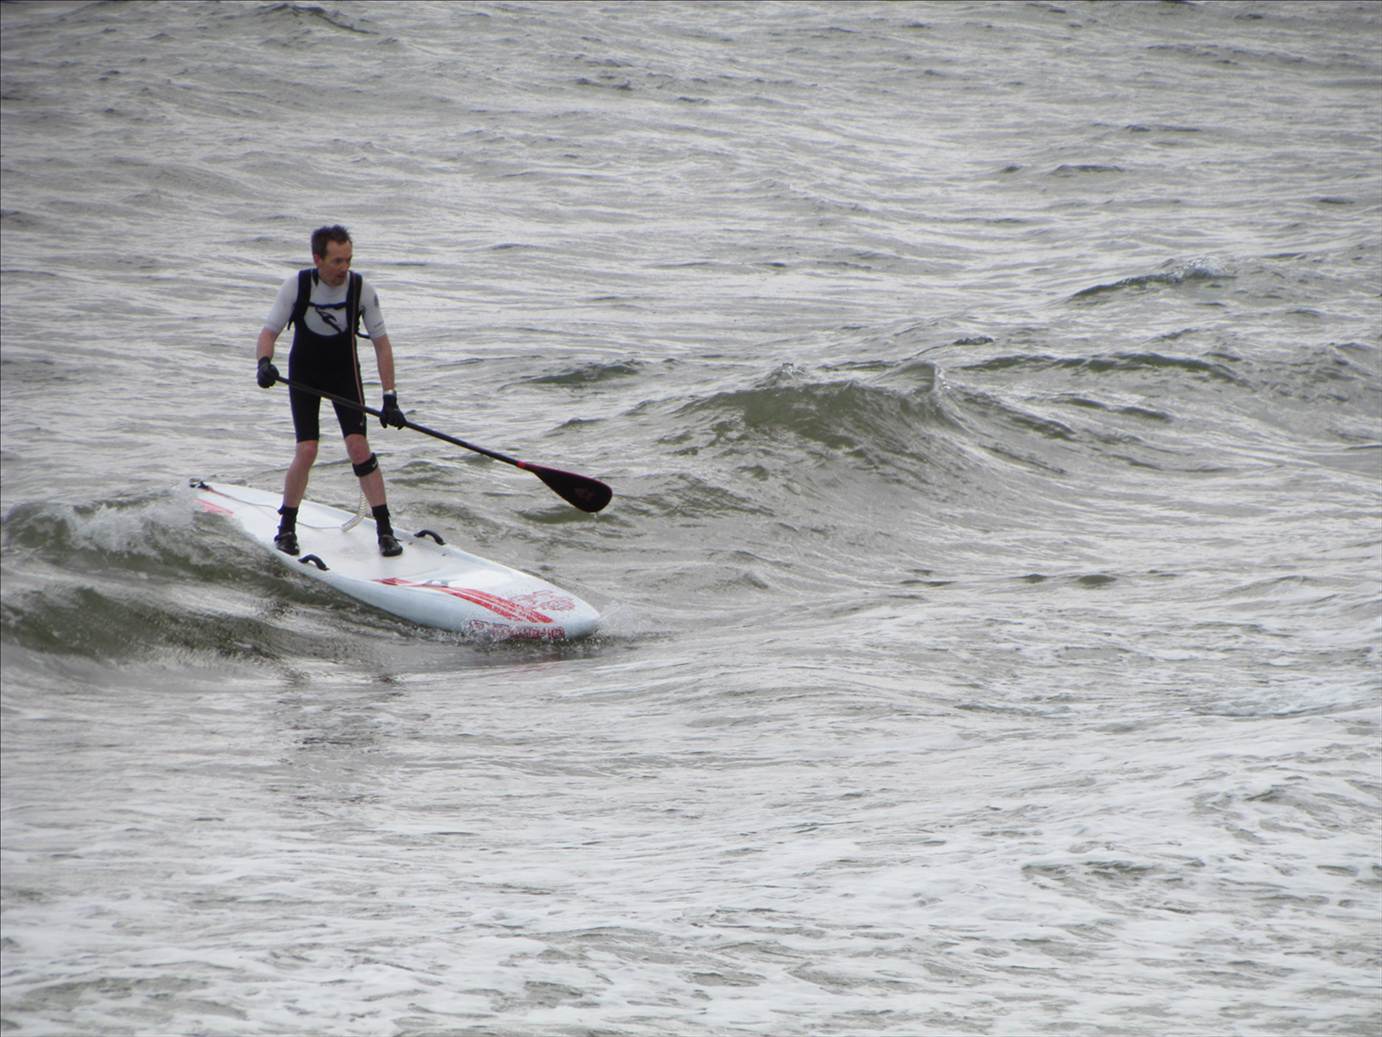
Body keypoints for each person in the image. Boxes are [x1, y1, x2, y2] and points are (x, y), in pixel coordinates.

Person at [254, 225, 408, 557]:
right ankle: (286, 528)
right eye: (337, 261)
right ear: (317, 259)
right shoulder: (297, 286)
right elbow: (268, 333)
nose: (344, 268)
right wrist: (264, 363)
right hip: (305, 375)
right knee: (307, 449)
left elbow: (382, 346)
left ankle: (385, 531)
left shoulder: (361, 289)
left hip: (344, 374)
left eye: (348, 260)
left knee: (358, 447)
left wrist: (390, 397)